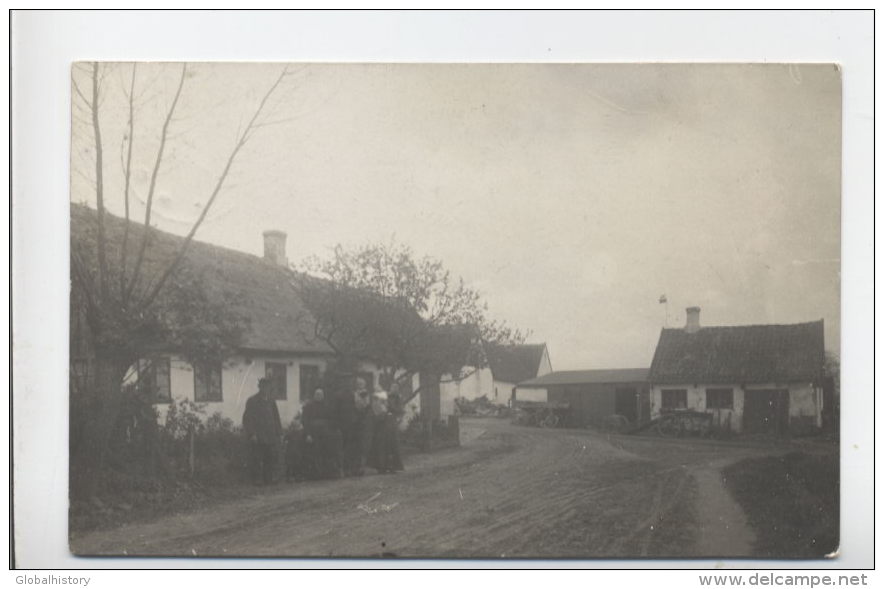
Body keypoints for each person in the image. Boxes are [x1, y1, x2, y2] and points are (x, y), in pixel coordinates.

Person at [242, 377, 283, 485]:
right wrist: (252, 434)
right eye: (263, 386)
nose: (266, 389)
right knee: (257, 458)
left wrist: (279, 433)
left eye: (268, 386)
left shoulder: (271, 401)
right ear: (259, 387)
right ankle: (257, 480)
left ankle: (268, 479)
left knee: (270, 457)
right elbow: (247, 418)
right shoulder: (252, 401)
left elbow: (276, 417)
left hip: (270, 434)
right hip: (259, 435)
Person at [302, 388, 344, 479]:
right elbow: (305, 421)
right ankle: (315, 474)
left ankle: (326, 473)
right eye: (317, 394)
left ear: (323, 396)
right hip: (313, 434)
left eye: (320, 394)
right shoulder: (309, 407)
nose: (319, 396)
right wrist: (308, 434)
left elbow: (331, 420)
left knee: (327, 453)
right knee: (314, 454)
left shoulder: (327, 406)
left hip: (325, 435)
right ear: (314, 395)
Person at [336, 377, 373, 476]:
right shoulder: (353, 394)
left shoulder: (365, 394)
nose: (359, 385)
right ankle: (351, 468)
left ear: (364, 384)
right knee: (352, 446)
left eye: (361, 384)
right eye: (358, 383)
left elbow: (365, 406)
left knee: (361, 445)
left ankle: (359, 468)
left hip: (362, 421)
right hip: (354, 423)